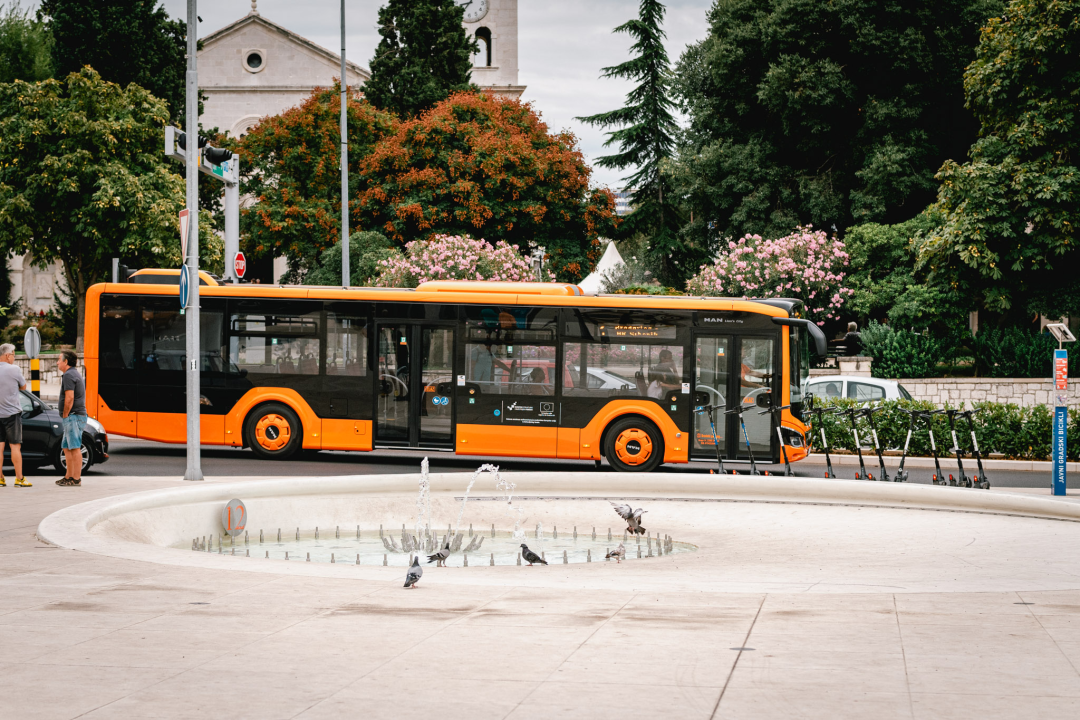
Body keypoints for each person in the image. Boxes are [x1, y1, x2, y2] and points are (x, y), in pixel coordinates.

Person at [0, 343, 29, 488]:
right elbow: (23, 387)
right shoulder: (14, 369)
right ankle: (19, 479)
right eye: (13, 355)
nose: (14, 358)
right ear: (7, 355)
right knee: (15, 446)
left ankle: (0, 479)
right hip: (12, 414)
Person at [56, 350, 86, 487]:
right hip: (73, 416)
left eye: (59, 359)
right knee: (67, 448)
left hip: (73, 416)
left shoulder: (68, 375)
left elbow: (69, 397)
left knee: (74, 447)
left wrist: (65, 414)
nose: (57, 362)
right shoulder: (72, 374)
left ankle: (76, 479)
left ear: (66, 361)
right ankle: (68, 476)